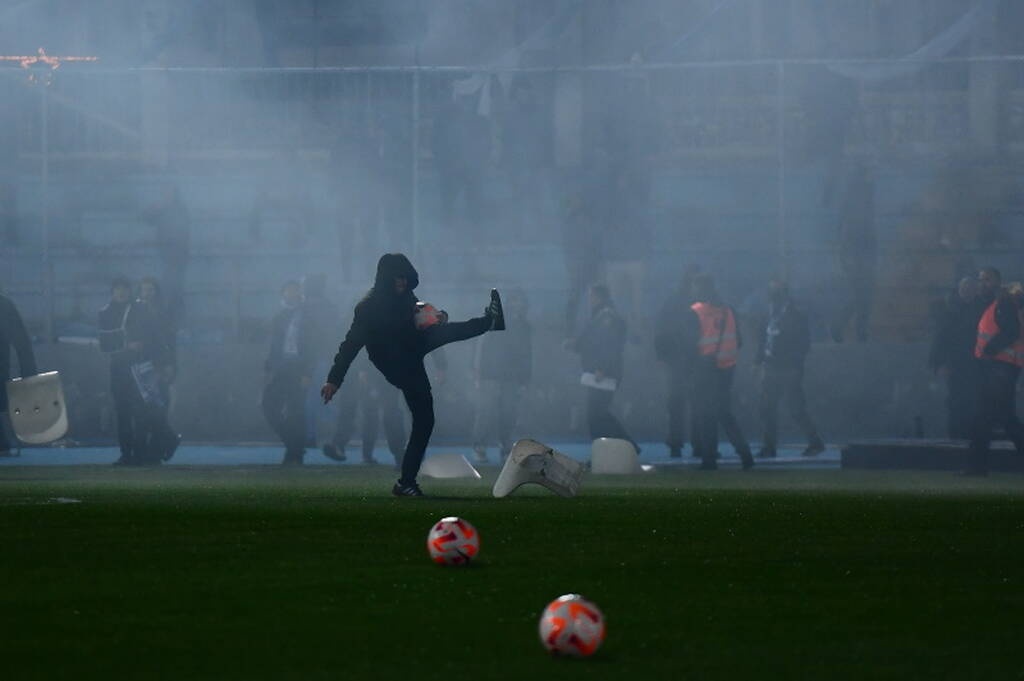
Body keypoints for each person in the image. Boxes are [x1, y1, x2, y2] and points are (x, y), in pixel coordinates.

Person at [321, 253, 504, 497]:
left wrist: (438, 319)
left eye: (405, 278)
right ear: (386, 278)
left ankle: (405, 482)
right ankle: (406, 482)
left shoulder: (408, 298)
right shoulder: (368, 308)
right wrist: (334, 379)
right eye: (397, 278)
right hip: (393, 361)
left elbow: (424, 319)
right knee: (418, 415)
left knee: (425, 419)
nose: (402, 283)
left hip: (412, 347)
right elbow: (350, 345)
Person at [98, 278, 174, 465]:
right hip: (119, 369)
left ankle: (143, 451)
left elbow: (154, 337)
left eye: (124, 288)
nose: (121, 292)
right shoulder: (105, 312)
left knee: (143, 412)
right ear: (112, 291)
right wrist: (126, 344)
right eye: (118, 289)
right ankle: (127, 454)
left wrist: (164, 364)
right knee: (122, 412)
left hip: (141, 367)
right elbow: (104, 343)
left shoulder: (140, 310)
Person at [688, 274, 754, 471]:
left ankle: (709, 459)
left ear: (699, 288)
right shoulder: (729, 311)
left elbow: (689, 343)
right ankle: (745, 454)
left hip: (704, 369)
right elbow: (739, 341)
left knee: (705, 414)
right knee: (724, 413)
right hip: (727, 369)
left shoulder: (695, 311)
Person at [754, 278, 825, 458]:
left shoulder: (795, 316)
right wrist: (758, 361)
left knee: (796, 408)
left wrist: (794, 365)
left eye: (776, 291)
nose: (772, 295)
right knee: (767, 407)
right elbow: (763, 340)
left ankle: (815, 442)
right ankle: (769, 446)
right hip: (771, 366)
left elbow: (803, 344)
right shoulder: (768, 314)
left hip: (788, 368)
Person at [966, 270, 1024, 476]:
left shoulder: (1004, 304)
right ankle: (977, 466)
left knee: (987, 417)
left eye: (986, 280)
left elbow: (1011, 331)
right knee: (1003, 418)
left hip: (999, 367)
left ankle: (977, 467)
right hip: (1000, 368)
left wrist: (989, 350)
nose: (982, 283)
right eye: (980, 279)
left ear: (997, 282)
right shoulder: (998, 304)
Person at [566, 284, 634, 448]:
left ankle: (621, 446)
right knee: (598, 413)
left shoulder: (606, 318)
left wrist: (602, 368)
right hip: (599, 371)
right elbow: (591, 342)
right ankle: (611, 448)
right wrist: (575, 345)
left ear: (598, 296)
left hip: (603, 373)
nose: (590, 300)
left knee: (597, 414)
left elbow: (609, 345)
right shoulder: (601, 316)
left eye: (592, 296)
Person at [472, 289, 532, 463]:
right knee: (486, 412)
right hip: (490, 374)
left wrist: (525, 378)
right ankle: (479, 446)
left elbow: (527, 354)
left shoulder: (525, 326)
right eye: (516, 301)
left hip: (511, 377)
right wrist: (477, 370)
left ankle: (506, 447)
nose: (518, 306)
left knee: (508, 413)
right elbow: (480, 345)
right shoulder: (494, 320)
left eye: (521, 302)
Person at [263, 280, 315, 465]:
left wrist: (307, 372)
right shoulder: (280, 316)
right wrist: (269, 366)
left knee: (296, 410)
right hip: (281, 368)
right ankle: (294, 445)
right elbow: (275, 345)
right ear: (283, 293)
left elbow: (311, 346)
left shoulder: (308, 316)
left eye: (295, 291)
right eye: (288, 291)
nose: (292, 294)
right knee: (269, 406)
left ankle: (295, 452)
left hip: (298, 368)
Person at [928, 277, 986, 439]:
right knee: (955, 400)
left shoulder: (982, 310)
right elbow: (940, 338)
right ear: (959, 290)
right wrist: (939, 364)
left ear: (976, 291)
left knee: (975, 400)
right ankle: (955, 434)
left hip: (977, 363)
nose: (967, 291)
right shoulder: (949, 310)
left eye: (971, 288)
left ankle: (972, 434)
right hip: (955, 363)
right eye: (964, 288)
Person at [654, 266, 700, 458]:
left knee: (683, 403)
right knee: (683, 402)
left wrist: (662, 356)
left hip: (687, 360)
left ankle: (683, 443)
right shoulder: (694, 303)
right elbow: (661, 330)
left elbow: (660, 330)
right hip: (686, 360)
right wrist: (663, 356)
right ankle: (685, 443)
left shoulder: (674, 302)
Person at [0, 290, 38, 456]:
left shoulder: (4, 305)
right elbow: (21, 340)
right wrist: (28, 371)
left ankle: (2, 445)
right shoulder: (5, 304)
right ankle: (3, 445)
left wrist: (28, 371)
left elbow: (21, 340)